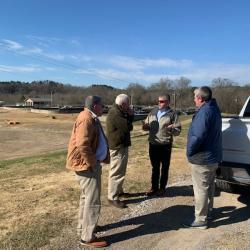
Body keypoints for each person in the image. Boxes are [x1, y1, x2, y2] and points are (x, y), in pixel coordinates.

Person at [66, 95, 110, 248]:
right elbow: (82, 145)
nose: (103, 108)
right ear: (95, 105)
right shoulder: (86, 118)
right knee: (92, 201)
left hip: (87, 165)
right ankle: (87, 237)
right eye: (102, 105)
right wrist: (92, 163)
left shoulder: (90, 116)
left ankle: (83, 228)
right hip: (87, 166)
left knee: (86, 198)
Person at [184, 86, 222, 229]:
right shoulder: (214, 108)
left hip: (203, 158)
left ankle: (200, 220)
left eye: (195, 97)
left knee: (201, 189)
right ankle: (208, 213)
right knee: (209, 187)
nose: (194, 100)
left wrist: (190, 151)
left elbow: (197, 136)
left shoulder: (205, 112)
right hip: (213, 157)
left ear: (200, 98)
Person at [142, 94, 181, 196]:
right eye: (158, 101)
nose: (159, 103)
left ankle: (162, 188)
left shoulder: (173, 114)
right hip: (153, 144)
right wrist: (145, 126)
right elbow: (146, 125)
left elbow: (178, 131)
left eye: (162, 101)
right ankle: (154, 188)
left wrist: (172, 128)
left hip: (165, 145)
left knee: (164, 168)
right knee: (155, 168)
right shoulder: (153, 112)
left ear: (168, 102)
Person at [106, 94, 134, 209]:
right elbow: (127, 127)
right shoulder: (115, 113)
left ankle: (119, 191)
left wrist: (128, 114)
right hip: (117, 147)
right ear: (123, 104)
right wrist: (131, 115)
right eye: (127, 105)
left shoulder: (119, 111)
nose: (129, 107)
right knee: (116, 172)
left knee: (120, 170)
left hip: (121, 145)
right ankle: (112, 197)